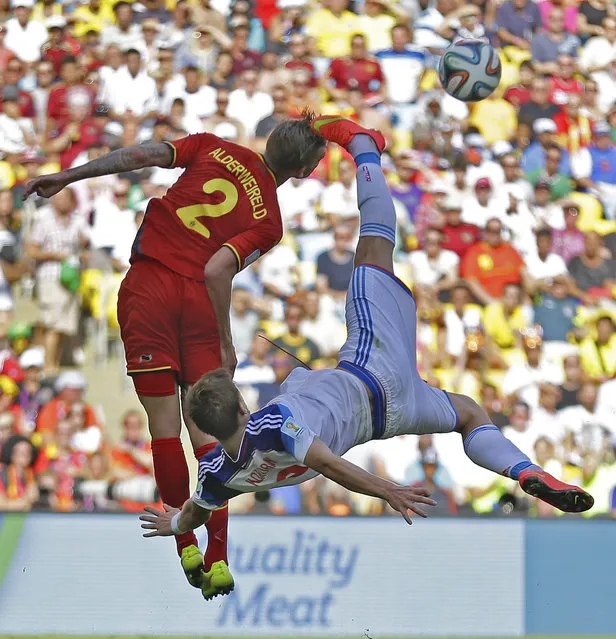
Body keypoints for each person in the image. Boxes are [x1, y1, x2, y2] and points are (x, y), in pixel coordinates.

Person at [139, 118, 594, 594]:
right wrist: (386, 490)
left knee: (466, 413)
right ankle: (364, 149)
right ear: (242, 406)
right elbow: (328, 465)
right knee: (374, 246)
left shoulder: (218, 475)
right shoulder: (272, 425)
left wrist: (174, 527)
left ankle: (525, 471)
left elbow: (196, 509)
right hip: (371, 370)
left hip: (386, 418)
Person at [23, 116, 327, 597]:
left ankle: (184, 542)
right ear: (306, 171)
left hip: (151, 288)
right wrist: (227, 342)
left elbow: (139, 156)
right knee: (214, 434)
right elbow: (217, 269)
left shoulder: (214, 147)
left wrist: (69, 176)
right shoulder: (269, 221)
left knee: (164, 429)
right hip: (202, 309)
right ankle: (219, 558)